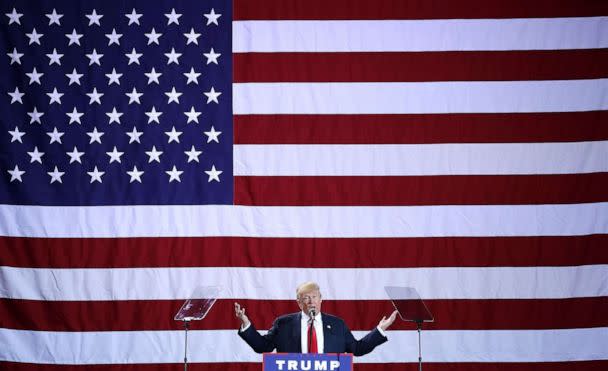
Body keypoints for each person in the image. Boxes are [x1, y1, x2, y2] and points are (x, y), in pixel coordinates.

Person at [234, 281, 398, 356]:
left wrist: (380, 329)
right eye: (306, 298)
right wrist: (246, 323)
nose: (311, 301)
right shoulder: (283, 324)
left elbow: (357, 349)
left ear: (321, 299)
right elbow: (263, 346)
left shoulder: (337, 324)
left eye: (314, 296)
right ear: (299, 303)